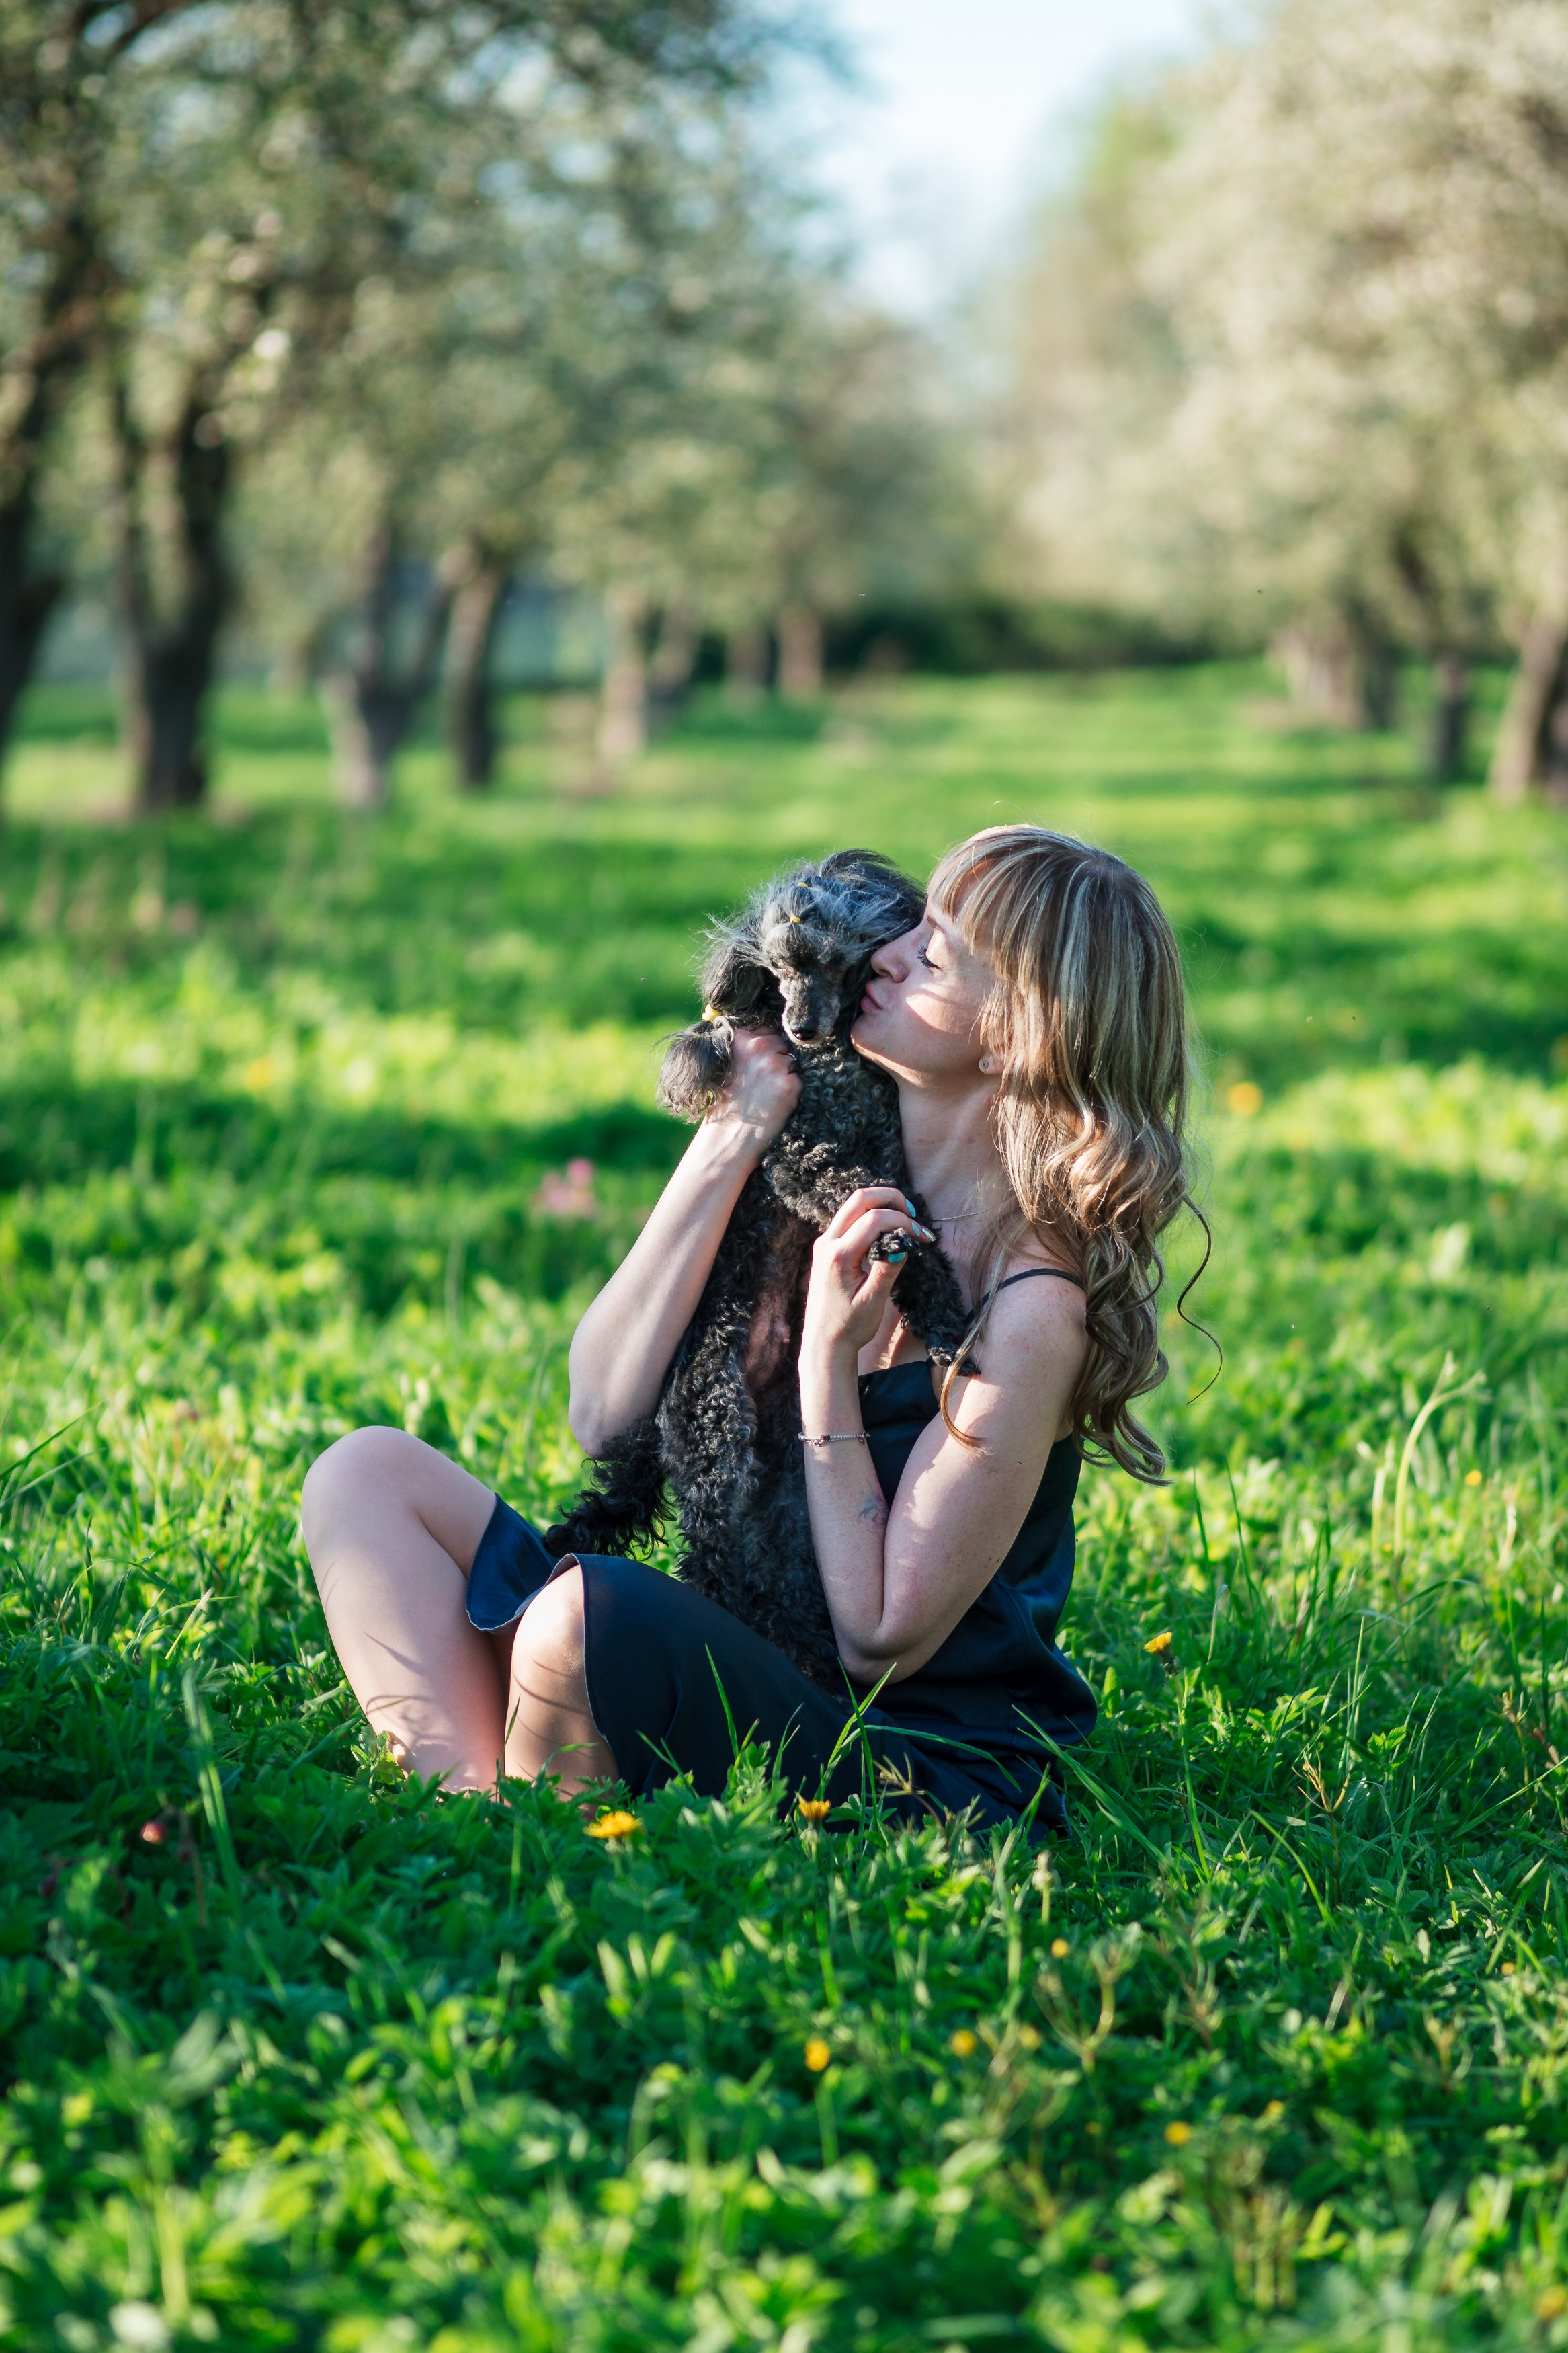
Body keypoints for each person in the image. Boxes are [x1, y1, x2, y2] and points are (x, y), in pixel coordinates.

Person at [302, 825, 1196, 1833]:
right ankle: (472, 1825)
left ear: (1013, 1038)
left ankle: (529, 1843)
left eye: (935, 951)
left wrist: (826, 1361)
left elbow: (880, 1641)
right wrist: (734, 1133)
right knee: (365, 1474)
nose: (889, 950)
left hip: (905, 1760)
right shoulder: (815, 1172)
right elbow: (602, 1416)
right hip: (746, 1661)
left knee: (582, 1613)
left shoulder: (1030, 1304)